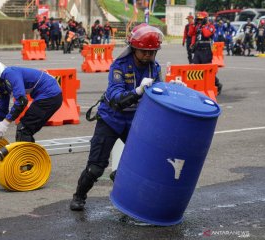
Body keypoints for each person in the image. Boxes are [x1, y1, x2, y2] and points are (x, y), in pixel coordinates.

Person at [69, 24, 184, 211]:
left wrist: (175, 89)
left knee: (143, 161)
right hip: (111, 119)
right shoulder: (119, 66)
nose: (148, 56)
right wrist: (138, 90)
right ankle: (79, 196)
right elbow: (116, 99)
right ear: (134, 49)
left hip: (135, 121)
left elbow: (160, 95)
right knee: (96, 167)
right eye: (144, 52)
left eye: (152, 52)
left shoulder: (154, 68)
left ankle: (123, 180)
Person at [0, 59, 62, 167]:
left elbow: (22, 101)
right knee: (24, 128)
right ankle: (29, 162)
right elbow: (2, 111)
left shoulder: (10, 74)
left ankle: (29, 166)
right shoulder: (1, 85)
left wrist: (6, 122)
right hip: (44, 95)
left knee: (24, 128)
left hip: (51, 95)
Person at [191, 11, 223, 95]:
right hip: (198, 50)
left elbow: (206, 34)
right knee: (195, 68)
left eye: (201, 20)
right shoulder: (198, 26)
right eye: (198, 20)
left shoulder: (211, 26)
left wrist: (203, 26)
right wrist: (193, 25)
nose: (199, 21)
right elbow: (191, 33)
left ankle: (218, 84)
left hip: (206, 50)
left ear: (205, 19)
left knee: (207, 70)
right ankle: (199, 87)